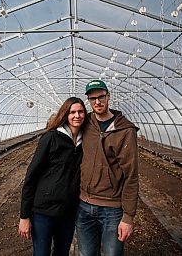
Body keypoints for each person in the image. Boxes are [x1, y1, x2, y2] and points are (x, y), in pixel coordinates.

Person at [76, 80, 139, 256]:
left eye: (101, 97)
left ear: (108, 96)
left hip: (111, 209)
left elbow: (131, 176)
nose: (97, 102)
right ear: (88, 100)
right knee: (86, 253)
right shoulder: (85, 122)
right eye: (92, 98)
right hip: (83, 205)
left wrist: (128, 217)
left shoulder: (125, 130)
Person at [19, 97, 87, 256]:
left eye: (80, 111)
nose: (77, 115)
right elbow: (31, 177)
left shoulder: (85, 142)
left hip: (68, 212)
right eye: (72, 112)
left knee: (62, 252)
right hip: (44, 211)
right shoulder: (51, 138)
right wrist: (24, 216)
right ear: (65, 114)